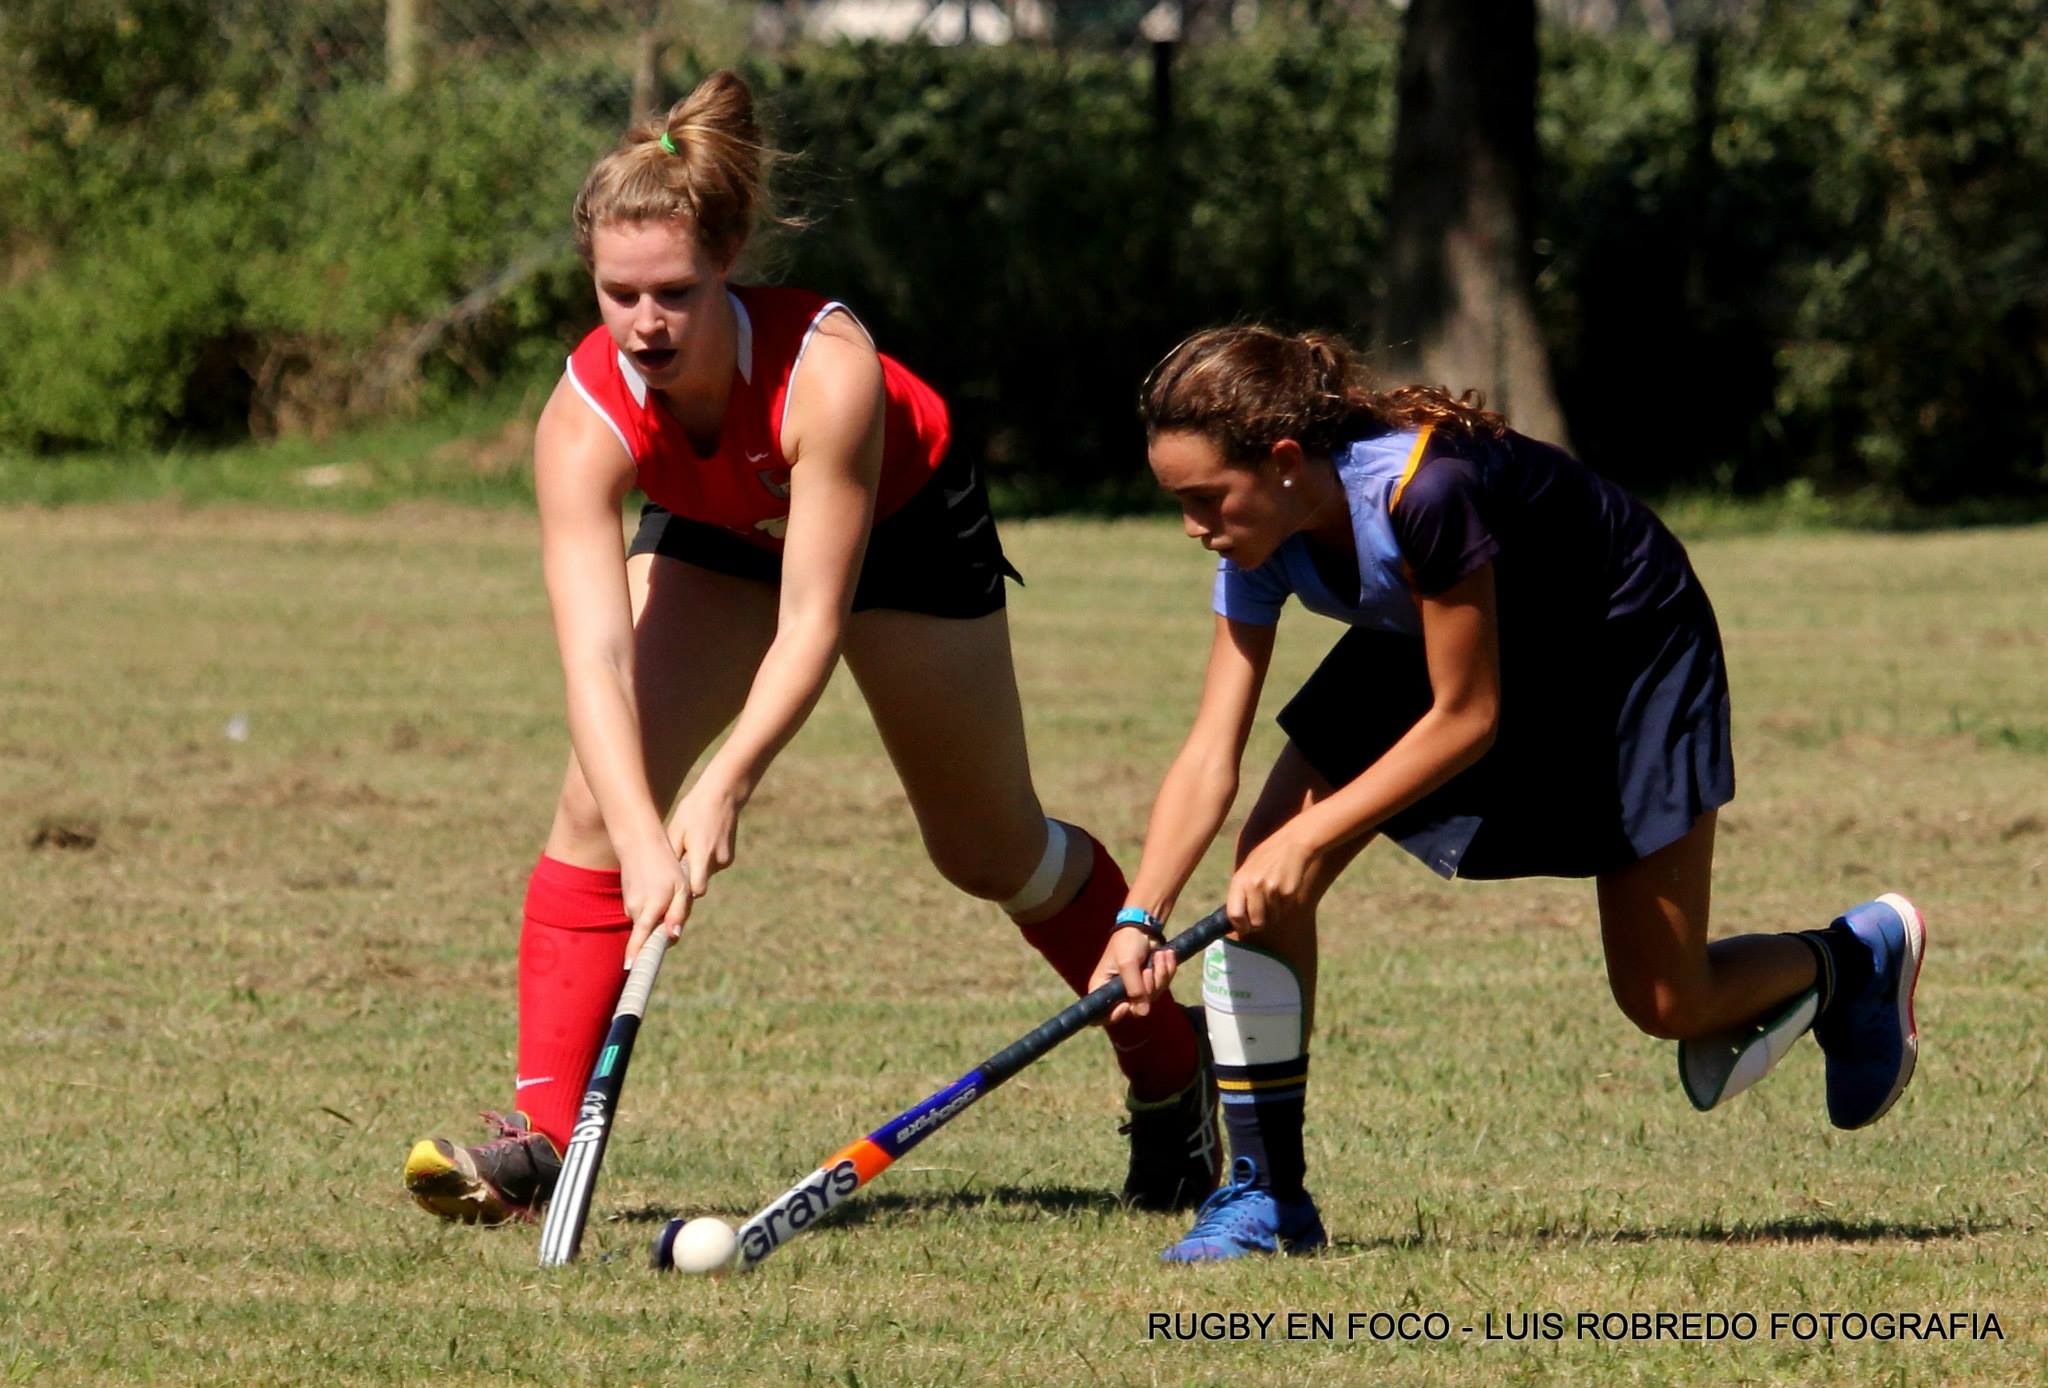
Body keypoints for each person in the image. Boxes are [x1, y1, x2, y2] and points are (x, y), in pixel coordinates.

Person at [402, 71, 1217, 1227]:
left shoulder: (824, 371)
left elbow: (812, 625)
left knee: (991, 851)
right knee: (596, 797)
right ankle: (538, 1134)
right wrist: (643, 836)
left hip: (898, 529)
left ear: (728, 255)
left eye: (675, 292)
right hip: (721, 527)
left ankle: (1172, 1075)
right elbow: (591, 659)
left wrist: (724, 784)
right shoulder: (581, 414)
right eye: (617, 292)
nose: (644, 325)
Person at [1090, 325, 1925, 1262]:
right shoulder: (1257, 536)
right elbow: (1212, 748)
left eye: (1205, 499)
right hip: (1437, 628)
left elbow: (1467, 718)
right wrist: (1138, 916)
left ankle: (1851, 960)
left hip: (1620, 647)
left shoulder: (1424, 492)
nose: (1192, 525)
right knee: (1263, 869)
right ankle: (1267, 1197)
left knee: (1666, 998)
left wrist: (1315, 836)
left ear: (1284, 461)